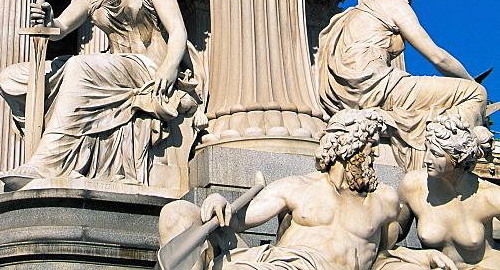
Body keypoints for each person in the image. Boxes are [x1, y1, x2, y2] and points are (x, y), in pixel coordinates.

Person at [0, 0, 205, 188]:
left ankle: (48, 161)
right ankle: (62, 152)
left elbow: (178, 30)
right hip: (115, 67)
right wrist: (48, 21)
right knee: (12, 78)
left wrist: (168, 68)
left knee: (79, 67)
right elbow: (61, 27)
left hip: (149, 68)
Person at [158, 109, 402, 270]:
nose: (377, 154)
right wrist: (218, 201)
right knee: (176, 212)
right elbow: (234, 222)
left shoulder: (384, 200)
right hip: (282, 263)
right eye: (371, 146)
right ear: (348, 147)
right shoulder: (298, 187)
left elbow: (385, 257)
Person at [318, 0, 488, 170]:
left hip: (346, 90)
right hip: (374, 84)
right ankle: (450, 156)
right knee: (475, 93)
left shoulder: (355, 12)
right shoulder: (392, 3)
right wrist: (471, 81)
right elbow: (437, 56)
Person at [374, 116, 500, 270]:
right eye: (427, 150)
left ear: (459, 158)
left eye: (436, 154)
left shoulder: (489, 195)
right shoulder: (413, 185)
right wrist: (378, 214)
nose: (427, 159)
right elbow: (396, 231)